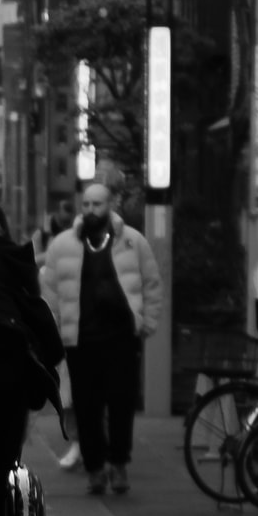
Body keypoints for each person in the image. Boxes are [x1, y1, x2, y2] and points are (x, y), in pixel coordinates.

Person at [38, 177, 163, 494]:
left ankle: (119, 464)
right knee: (87, 407)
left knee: (122, 404)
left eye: (98, 204)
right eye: (87, 205)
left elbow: (151, 283)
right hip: (81, 340)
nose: (92, 210)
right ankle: (95, 468)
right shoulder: (63, 245)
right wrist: (53, 332)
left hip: (122, 338)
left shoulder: (133, 241)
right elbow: (50, 292)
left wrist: (146, 324)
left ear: (110, 206)